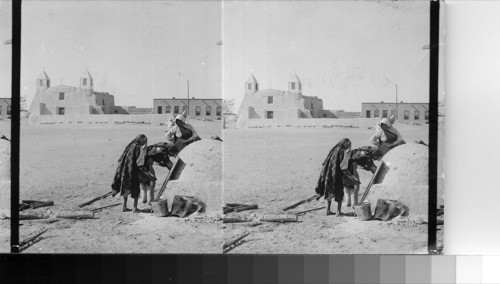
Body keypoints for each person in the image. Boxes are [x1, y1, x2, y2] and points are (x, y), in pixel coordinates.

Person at [315, 138, 358, 216]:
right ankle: (338, 212)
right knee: (339, 192)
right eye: (348, 144)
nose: (348, 146)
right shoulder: (342, 151)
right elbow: (343, 166)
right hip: (337, 174)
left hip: (329, 173)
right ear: (345, 144)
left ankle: (328, 211)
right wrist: (350, 176)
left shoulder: (334, 150)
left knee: (329, 191)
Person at [111, 134, 151, 213]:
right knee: (135, 188)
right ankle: (134, 208)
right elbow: (140, 162)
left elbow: (122, 158)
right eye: (144, 141)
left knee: (125, 187)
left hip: (125, 170)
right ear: (142, 140)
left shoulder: (130, 146)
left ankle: (124, 207)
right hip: (133, 171)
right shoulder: (139, 148)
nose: (144, 143)